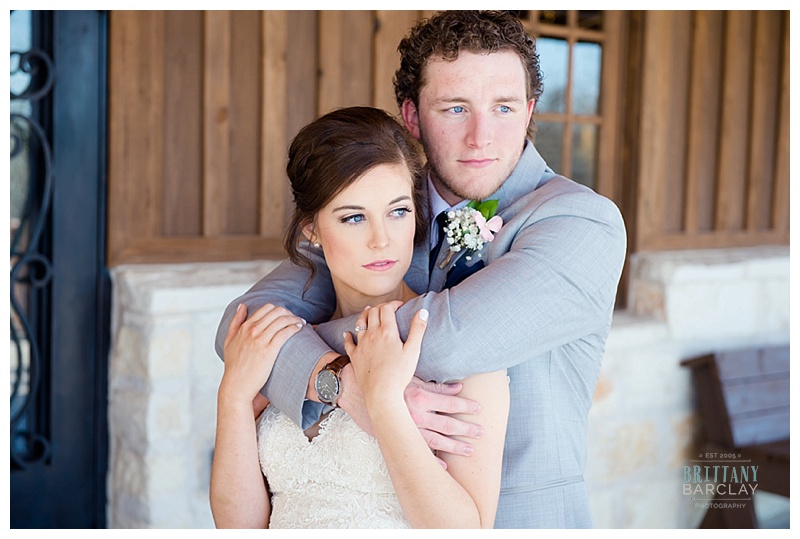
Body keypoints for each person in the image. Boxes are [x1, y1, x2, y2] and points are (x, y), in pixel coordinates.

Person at [215, 10, 626, 528]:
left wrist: (293, 348)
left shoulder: (579, 222)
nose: (482, 136)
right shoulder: (382, 206)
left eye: (503, 107)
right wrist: (336, 382)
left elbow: (451, 340)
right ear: (411, 117)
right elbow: (242, 322)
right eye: (455, 108)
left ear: (528, 111)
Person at [209, 106, 510, 529]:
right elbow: (238, 528)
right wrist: (233, 400)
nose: (381, 239)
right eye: (354, 217)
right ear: (311, 229)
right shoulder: (283, 347)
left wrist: (384, 404)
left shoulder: (456, 350)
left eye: (398, 211)